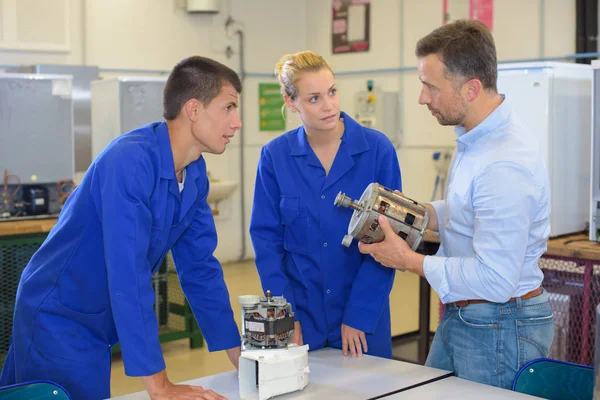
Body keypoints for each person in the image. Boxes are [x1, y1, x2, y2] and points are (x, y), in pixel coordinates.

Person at [0, 56, 243, 400]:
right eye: (229, 107)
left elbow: (200, 269)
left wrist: (240, 357)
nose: (238, 122)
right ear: (193, 109)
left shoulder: (195, 175)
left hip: (99, 317)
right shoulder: (130, 161)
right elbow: (128, 273)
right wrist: (160, 387)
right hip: (58, 314)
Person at [358, 20, 554, 389]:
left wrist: (408, 260)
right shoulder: (476, 138)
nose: (422, 98)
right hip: (467, 314)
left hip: (499, 324)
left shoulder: (504, 162)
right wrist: (418, 213)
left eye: (430, 86)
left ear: (471, 88)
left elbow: (495, 280)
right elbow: (468, 207)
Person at [249, 51, 402, 359]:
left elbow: (389, 239)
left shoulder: (377, 150)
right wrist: (283, 315)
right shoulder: (275, 158)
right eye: (314, 98)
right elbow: (267, 243)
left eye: (332, 92)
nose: (329, 105)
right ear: (292, 103)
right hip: (301, 318)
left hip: (362, 320)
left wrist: (359, 314)